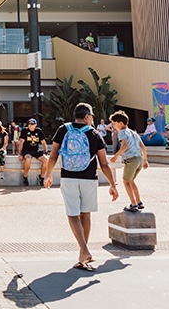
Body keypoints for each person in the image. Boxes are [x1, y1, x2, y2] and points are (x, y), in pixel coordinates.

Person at [44, 103, 119, 272]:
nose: (92, 119)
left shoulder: (63, 130)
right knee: (85, 214)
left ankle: (83, 252)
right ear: (86, 117)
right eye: (91, 116)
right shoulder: (94, 134)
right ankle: (83, 251)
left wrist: (48, 175)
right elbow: (104, 163)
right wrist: (113, 185)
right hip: (89, 179)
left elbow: (53, 154)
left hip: (69, 177)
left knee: (72, 214)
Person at [109, 110, 149, 212]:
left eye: (114, 123)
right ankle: (139, 202)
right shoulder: (133, 133)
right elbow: (143, 147)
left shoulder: (122, 133)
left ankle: (133, 204)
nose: (113, 126)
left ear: (120, 123)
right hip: (139, 159)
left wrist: (116, 156)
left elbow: (125, 146)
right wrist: (145, 160)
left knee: (126, 182)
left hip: (131, 160)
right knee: (131, 181)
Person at [19, 118, 48, 186]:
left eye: (32, 124)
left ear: (35, 125)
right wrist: (20, 154)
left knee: (46, 160)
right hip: (27, 150)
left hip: (36, 150)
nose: (30, 125)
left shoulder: (38, 131)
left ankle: (41, 177)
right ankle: (25, 177)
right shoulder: (25, 131)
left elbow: (43, 142)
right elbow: (21, 143)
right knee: (28, 159)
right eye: (29, 124)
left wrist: (45, 151)